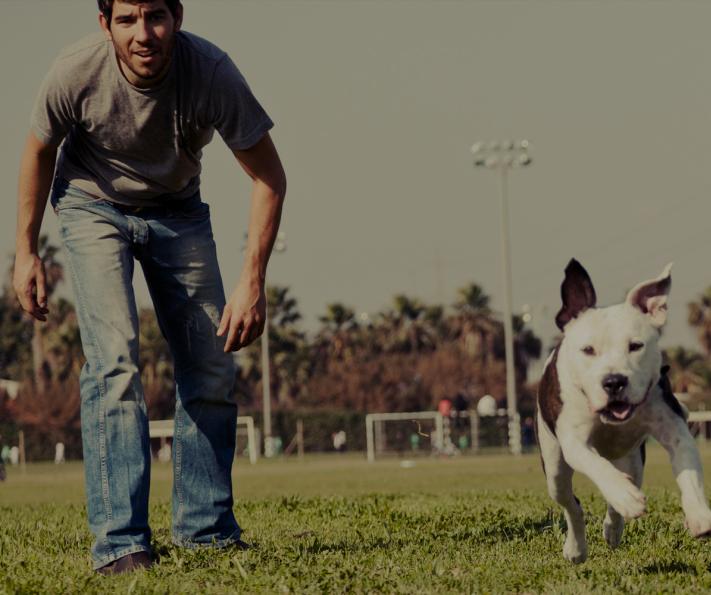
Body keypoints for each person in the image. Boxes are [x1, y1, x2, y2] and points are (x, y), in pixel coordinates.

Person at [14, 0, 286, 575]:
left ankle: (205, 531)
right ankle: (120, 544)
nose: (145, 34)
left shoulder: (211, 73)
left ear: (178, 17)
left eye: (156, 16)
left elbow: (269, 175)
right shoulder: (75, 71)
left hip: (178, 211)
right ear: (105, 24)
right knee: (115, 363)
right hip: (91, 206)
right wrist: (26, 252)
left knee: (212, 364)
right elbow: (37, 152)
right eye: (128, 19)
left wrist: (252, 279)